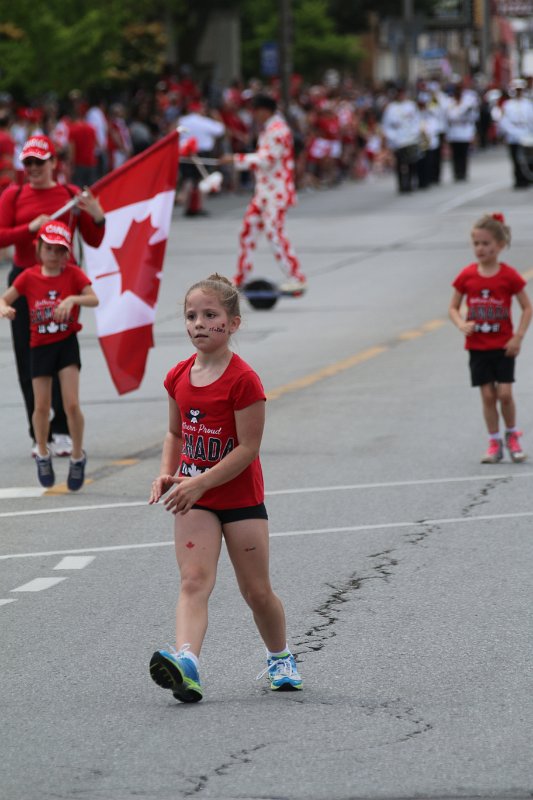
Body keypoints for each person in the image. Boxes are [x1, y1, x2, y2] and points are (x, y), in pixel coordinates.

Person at [148, 273, 303, 703]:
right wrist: (168, 473)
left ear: (233, 323)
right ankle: (187, 663)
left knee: (257, 591)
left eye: (209, 315)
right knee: (193, 581)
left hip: (239, 499)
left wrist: (199, 482)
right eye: (191, 316)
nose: (199, 323)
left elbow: (248, 449)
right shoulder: (178, 376)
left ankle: (280, 657)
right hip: (193, 498)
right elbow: (175, 433)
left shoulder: (243, 380)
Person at [0, 134, 105, 457]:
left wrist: (97, 215)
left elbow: (93, 239)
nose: (33, 168)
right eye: (28, 162)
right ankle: (40, 434)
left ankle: (62, 429)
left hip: (63, 283)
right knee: (29, 358)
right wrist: (30, 228)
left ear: (53, 163)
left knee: (61, 354)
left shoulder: (70, 195)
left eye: (39, 162)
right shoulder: (14, 195)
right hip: (26, 281)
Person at [0, 221, 98, 490]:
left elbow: (93, 298)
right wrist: (5, 308)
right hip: (39, 346)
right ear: (39, 249)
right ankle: (43, 452)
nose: (54, 255)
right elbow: (4, 298)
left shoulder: (73, 274)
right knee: (41, 406)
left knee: (71, 404)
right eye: (49, 249)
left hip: (66, 344)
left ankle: (77, 455)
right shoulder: (28, 276)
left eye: (59, 250)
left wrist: (72, 300)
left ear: (67, 253)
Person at [449, 213, 532, 464]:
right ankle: (494, 442)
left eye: (486, 243)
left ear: (500, 245)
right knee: (487, 395)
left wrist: (518, 337)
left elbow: (527, 307)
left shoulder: (509, 276)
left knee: (505, 394)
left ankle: (512, 435)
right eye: (476, 244)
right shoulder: (467, 275)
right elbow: (453, 307)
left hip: (504, 346)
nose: (480, 249)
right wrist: (461, 323)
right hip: (477, 347)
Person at [219, 94, 306, 293]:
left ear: (265, 110)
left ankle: (296, 277)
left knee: (275, 234)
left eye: (256, 111)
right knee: (247, 231)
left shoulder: (278, 130)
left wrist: (235, 159)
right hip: (264, 193)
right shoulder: (269, 128)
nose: (254, 115)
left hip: (277, 193)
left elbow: (267, 159)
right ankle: (241, 277)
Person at [381, 85, 422, 194]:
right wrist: (392, 137)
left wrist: (414, 133)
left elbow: (417, 121)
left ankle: (411, 183)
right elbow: (386, 125)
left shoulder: (411, 105)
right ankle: (402, 185)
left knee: (411, 162)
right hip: (398, 140)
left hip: (411, 139)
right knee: (400, 164)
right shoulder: (391, 108)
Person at [498, 78, 533, 189]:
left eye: (520, 90)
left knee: (527, 158)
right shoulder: (507, 105)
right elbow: (504, 120)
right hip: (513, 135)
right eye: (516, 90)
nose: (518, 92)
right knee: (515, 158)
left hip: (526, 134)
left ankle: (527, 178)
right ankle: (518, 179)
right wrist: (511, 131)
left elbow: (531, 119)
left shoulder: (528, 104)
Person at [445, 83, 479, 182]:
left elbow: (473, 118)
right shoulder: (450, 103)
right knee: (455, 154)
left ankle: (463, 173)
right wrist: (461, 112)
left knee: (463, 154)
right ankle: (456, 173)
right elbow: (450, 116)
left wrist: (469, 111)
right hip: (454, 132)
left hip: (464, 132)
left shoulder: (467, 103)